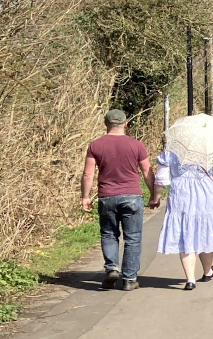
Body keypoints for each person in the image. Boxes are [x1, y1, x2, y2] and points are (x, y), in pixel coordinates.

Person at [81, 109, 155, 291]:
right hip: (132, 196)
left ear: (105, 124)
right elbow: (147, 172)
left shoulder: (95, 145)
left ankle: (112, 268)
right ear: (126, 123)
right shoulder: (136, 145)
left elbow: (88, 173)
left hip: (107, 196)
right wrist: (154, 194)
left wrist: (85, 196)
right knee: (133, 238)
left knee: (109, 234)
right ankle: (129, 279)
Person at [149, 150, 213, 291]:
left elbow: (162, 179)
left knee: (185, 233)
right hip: (206, 192)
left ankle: (190, 280)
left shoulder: (172, 150)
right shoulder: (212, 148)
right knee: (205, 232)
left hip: (181, 194)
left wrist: (155, 198)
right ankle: (207, 271)